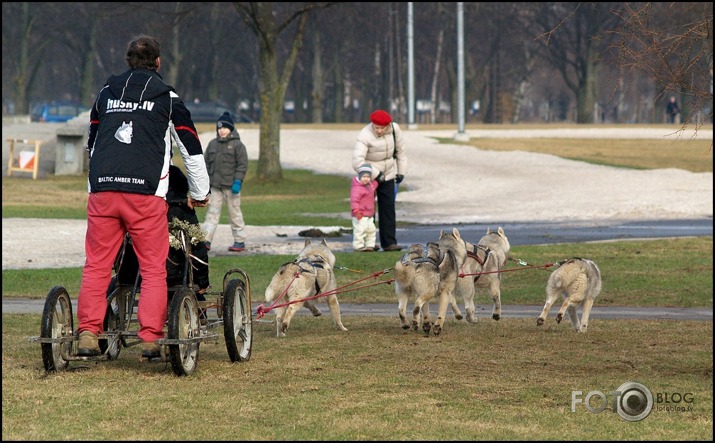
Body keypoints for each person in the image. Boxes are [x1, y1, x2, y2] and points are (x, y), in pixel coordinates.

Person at [76, 35, 210, 360]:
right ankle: (150, 337)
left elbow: (92, 143)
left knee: (96, 266)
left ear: (128, 61)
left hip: (103, 190)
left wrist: (98, 183)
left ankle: (88, 333)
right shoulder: (168, 97)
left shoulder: (105, 93)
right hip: (145, 193)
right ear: (158, 63)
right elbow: (190, 148)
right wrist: (200, 192)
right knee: (153, 268)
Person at [352, 109, 407, 252]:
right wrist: (375, 174)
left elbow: (401, 151)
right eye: (376, 127)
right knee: (367, 209)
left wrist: (401, 171)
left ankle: (389, 243)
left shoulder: (395, 130)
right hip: (369, 176)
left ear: (388, 125)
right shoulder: (365, 135)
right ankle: (367, 244)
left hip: (389, 172)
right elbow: (357, 161)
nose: (379, 131)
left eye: (382, 128)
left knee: (388, 208)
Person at [166, 165, 210, 322]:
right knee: (196, 289)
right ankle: (200, 317)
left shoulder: (140, 207)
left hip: (137, 274)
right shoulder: (182, 210)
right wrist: (203, 281)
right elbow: (198, 250)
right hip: (174, 275)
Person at [202, 111, 249, 252]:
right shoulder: (212, 144)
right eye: (219, 128)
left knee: (235, 213)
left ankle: (239, 241)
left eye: (225, 128)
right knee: (212, 214)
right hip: (215, 187)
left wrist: (238, 181)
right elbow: (205, 164)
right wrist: (206, 183)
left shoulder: (238, 145)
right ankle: (205, 240)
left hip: (231, 187)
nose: (222, 130)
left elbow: (242, 165)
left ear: (231, 129)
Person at [350, 164, 380, 252]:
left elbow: (375, 184)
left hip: (369, 214)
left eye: (368, 177)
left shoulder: (370, 185)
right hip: (360, 214)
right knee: (360, 230)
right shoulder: (357, 188)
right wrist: (356, 211)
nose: (366, 179)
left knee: (371, 230)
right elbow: (354, 201)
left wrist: (378, 176)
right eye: (364, 176)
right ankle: (358, 246)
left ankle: (370, 245)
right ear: (359, 176)